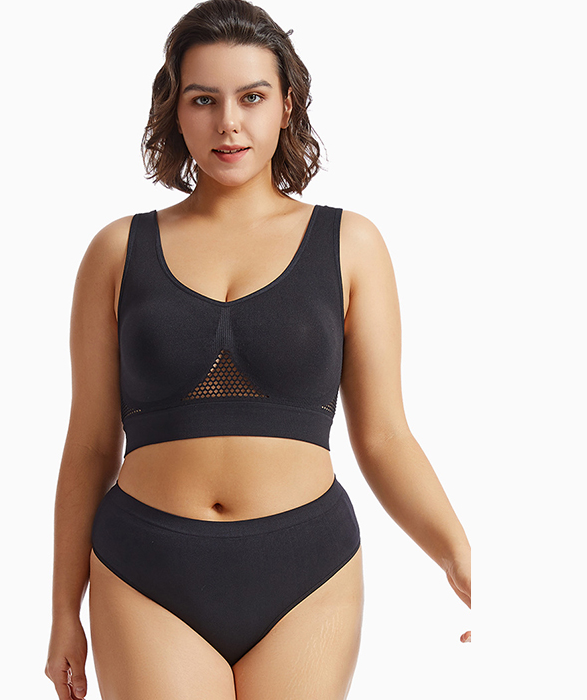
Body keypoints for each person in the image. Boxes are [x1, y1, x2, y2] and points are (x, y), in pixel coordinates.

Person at [44, 0, 471, 698]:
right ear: (176, 111)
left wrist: (460, 556)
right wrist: (64, 610)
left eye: (251, 97)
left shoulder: (351, 244)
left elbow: (385, 436)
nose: (228, 123)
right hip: (146, 569)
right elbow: (90, 444)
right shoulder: (117, 251)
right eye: (203, 100)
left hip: (308, 571)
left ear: (286, 105)